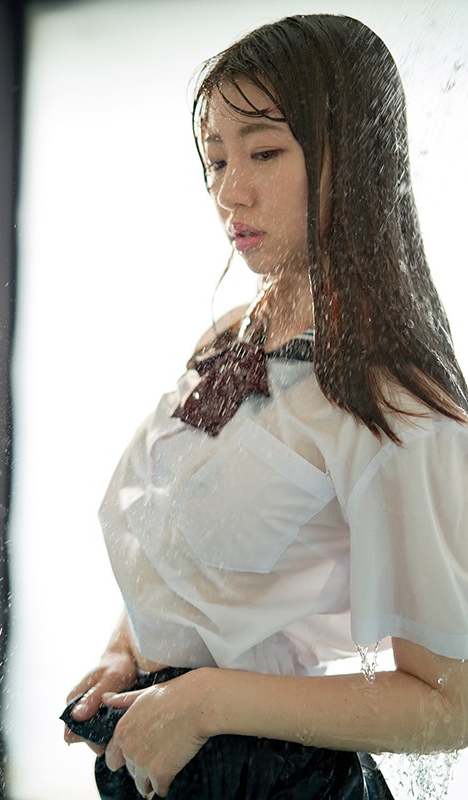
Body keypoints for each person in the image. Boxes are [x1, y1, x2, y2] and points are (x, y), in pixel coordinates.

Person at [63, 13, 468, 799]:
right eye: (216, 158)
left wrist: (207, 702)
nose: (228, 190)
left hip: (282, 781)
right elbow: (178, 541)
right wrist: (126, 653)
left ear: (354, 157)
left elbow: (451, 707)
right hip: (162, 756)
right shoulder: (228, 339)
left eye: (265, 152)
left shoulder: (395, 404)